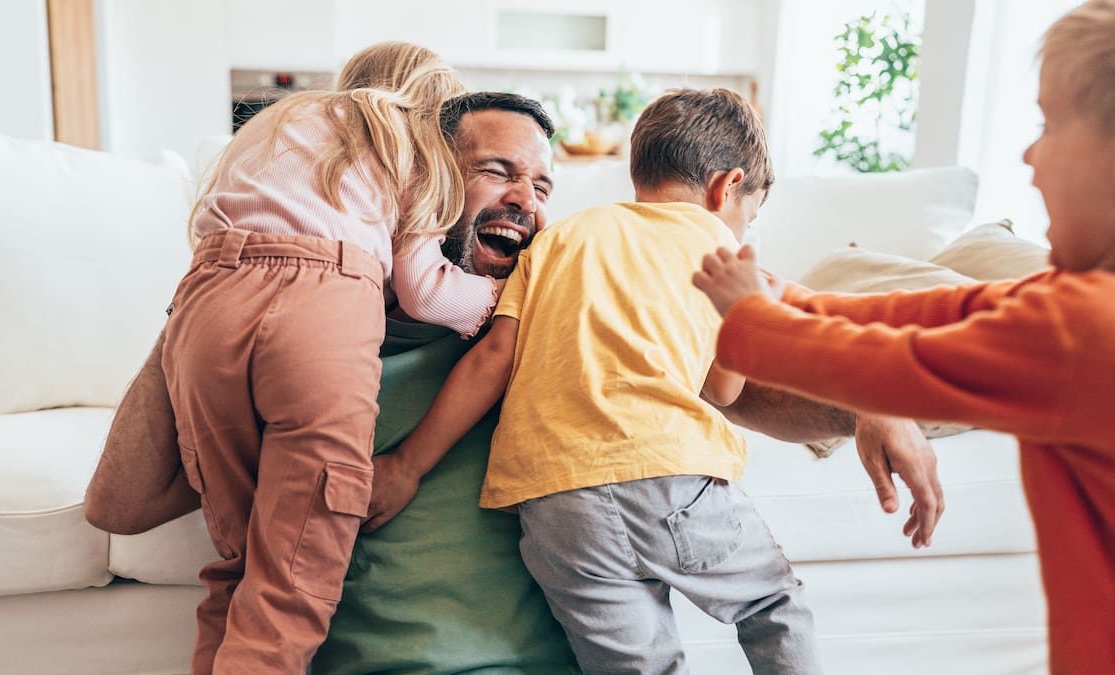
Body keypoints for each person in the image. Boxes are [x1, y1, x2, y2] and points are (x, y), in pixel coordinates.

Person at [85, 90, 943, 671]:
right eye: (496, 171)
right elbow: (123, 504)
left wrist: (873, 403)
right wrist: (217, 290)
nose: (526, 202)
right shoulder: (323, 345)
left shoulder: (554, 312)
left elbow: (746, 381)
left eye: (542, 184)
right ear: (413, 179)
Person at [690, 3, 1115, 672]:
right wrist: (784, 296)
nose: (1028, 154)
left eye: (1050, 125)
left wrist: (756, 321)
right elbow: (929, 312)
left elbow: (901, 360)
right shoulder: (1074, 304)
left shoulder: (1087, 330)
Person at [365, 88, 822, 674]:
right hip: (670, 480)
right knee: (774, 606)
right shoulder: (721, 248)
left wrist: (405, 466)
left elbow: (491, 360)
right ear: (727, 187)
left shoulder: (557, 241)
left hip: (555, 507)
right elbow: (724, 391)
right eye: (746, 215)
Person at [158, 41, 504, 674]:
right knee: (293, 577)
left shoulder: (280, 123)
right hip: (321, 303)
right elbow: (425, 291)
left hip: (204, 305)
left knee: (238, 564)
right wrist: (510, 297)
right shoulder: (412, 137)